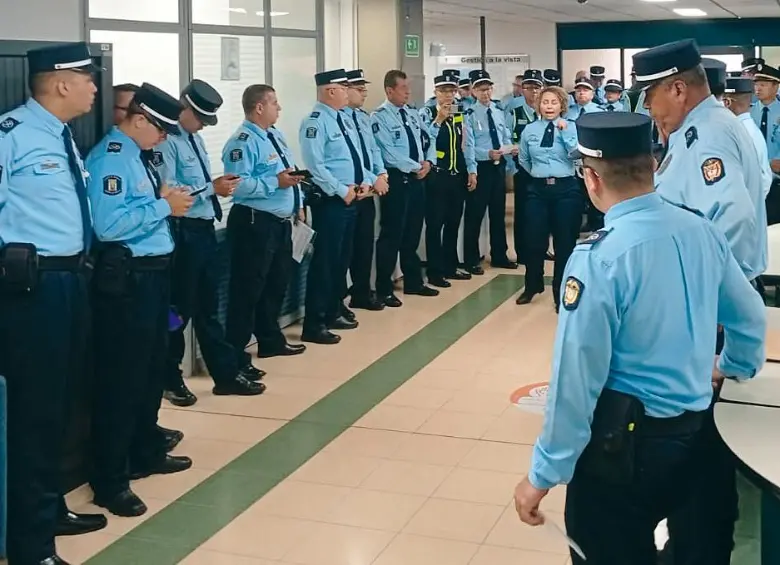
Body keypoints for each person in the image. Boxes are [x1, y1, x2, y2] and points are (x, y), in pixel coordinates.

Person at [512, 110, 767, 565]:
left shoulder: (599, 259)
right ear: (653, 165)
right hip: (700, 437)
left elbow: (577, 379)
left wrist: (544, 473)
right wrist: (730, 366)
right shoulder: (702, 231)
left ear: (590, 178)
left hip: (622, 451)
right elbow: (749, 317)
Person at [634, 38, 764, 565]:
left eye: (651, 97)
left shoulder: (707, 135)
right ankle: (696, 542)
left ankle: (700, 548)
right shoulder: (700, 128)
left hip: (706, 312)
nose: (648, 109)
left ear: (678, 88)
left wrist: (697, 301)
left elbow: (729, 222)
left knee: (699, 444)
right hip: (707, 307)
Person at [0, 41, 106, 565]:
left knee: (62, 404)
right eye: (87, 78)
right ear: (61, 82)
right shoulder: (12, 137)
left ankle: (48, 506)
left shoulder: (62, 135)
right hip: (31, 289)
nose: (94, 87)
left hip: (70, 282)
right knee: (34, 413)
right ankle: (28, 545)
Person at [87, 83, 194, 518]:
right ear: (139, 120)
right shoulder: (111, 158)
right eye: (161, 129)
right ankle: (111, 479)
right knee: (123, 380)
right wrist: (163, 208)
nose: (165, 138)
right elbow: (108, 226)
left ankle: (145, 448)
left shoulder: (138, 156)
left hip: (154, 277)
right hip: (127, 284)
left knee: (151, 371)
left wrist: (162, 202)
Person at [153, 79, 265, 407]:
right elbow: (168, 190)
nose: (203, 125)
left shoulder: (193, 139)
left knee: (208, 309)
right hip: (181, 233)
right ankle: (170, 377)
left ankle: (225, 374)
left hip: (203, 232)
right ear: (184, 108)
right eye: (200, 118)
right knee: (179, 311)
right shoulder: (167, 142)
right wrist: (209, 190)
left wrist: (212, 187)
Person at [221, 85, 309, 360]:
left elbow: (288, 172)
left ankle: (270, 340)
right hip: (254, 223)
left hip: (281, 222)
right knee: (248, 290)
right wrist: (276, 182)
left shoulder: (274, 135)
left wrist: (299, 202)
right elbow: (237, 185)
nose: (279, 108)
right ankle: (235, 355)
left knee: (275, 285)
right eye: (274, 103)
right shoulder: (242, 141)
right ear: (259, 107)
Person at [300, 69, 376, 343]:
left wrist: (366, 180)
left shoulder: (343, 119)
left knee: (341, 260)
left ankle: (333, 309)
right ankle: (314, 322)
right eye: (344, 87)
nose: (348, 91)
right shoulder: (316, 122)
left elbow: (358, 156)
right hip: (332, 201)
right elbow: (315, 166)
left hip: (353, 197)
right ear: (330, 91)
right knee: (326, 262)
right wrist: (341, 189)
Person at [371, 69, 439, 307]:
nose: (408, 92)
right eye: (403, 88)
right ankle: (384, 288)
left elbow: (428, 139)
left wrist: (428, 162)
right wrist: (415, 167)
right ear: (390, 90)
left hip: (418, 180)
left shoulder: (411, 114)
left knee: (412, 233)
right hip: (399, 181)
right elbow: (388, 153)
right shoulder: (379, 117)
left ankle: (413, 282)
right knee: (392, 235)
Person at [514, 86, 580, 310]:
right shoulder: (530, 130)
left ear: (562, 105)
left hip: (566, 189)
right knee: (533, 241)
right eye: (545, 102)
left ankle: (560, 291)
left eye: (553, 102)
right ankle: (532, 285)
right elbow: (523, 159)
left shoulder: (571, 127)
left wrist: (565, 133)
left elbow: (576, 155)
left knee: (564, 243)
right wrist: (538, 173)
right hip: (538, 189)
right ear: (538, 105)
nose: (549, 106)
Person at [420, 73, 477, 287]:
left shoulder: (459, 111)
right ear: (435, 92)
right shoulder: (425, 112)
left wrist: (472, 169)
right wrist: (439, 120)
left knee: (453, 223)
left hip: (457, 174)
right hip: (437, 175)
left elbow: (467, 141)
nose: (448, 95)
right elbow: (425, 140)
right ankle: (435, 271)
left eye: (452, 90)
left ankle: (450, 266)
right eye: (443, 91)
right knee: (435, 225)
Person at [342, 69, 389, 312]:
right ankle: (340, 300)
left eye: (364, 88)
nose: (364, 93)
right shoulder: (339, 119)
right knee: (344, 251)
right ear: (344, 90)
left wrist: (380, 175)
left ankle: (362, 292)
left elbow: (372, 152)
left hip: (367, 191)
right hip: (350, 193)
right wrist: (371, 179)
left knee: (364, 246)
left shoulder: (363, 117)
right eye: (358, 89)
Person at [463, 69, 517, 274]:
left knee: (498, 214)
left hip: (499, 166)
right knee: (475, 215)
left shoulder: (497, 110)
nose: (486, 93)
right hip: (481, 167)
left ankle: (500, 255)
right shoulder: (469, 115)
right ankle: (470, 258)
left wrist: (508, 149)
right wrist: (486, 155)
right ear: (474, 91)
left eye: (488, 89)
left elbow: (504, 137)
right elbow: (467, 146)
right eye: (481, 89)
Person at [507, 69, 542, 265]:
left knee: (541, 213)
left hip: (544, 171)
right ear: (522, 90)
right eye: (529, 87)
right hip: (522, 171)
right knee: (522, 213)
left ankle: (541, 250)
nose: (533, 91)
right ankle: (522, 253)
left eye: (537, 87)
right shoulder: (515, 112)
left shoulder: (547, 113)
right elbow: (507, 140)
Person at [750, 63, 780, 224]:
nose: (758, 89)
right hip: (754, 183)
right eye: (756, 84)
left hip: (777, 184)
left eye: (763, 85)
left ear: (776, 87)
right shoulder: (748, 112)